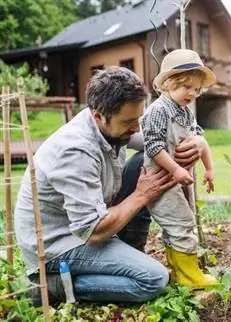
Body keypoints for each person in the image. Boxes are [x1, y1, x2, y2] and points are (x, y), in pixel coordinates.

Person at [14, 67, 205, 306]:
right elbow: (93, 231)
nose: (137, 127)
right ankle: (56, 286)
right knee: (153, 279)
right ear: (98, 116)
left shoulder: (116, 125)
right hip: (59, 244)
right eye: (129, 122)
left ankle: (130, 251)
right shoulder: (75, 151)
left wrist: (197, 140)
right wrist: (142, 194)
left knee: (145, 161)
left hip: (90, 222)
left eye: (139, 118)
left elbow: (155, 141)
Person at [141, 49, 217, 289]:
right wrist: (175, 170)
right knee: (180, 222)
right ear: (169, 83)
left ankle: (179, 274)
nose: (193, 93)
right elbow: (153, 146)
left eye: (197, 89)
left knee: (183, 222)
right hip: (162, 179)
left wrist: (209, 169)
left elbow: (199, 139)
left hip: (181, 179)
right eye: (187, 87)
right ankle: (190, 276)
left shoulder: (185, 112)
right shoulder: (158, 110)